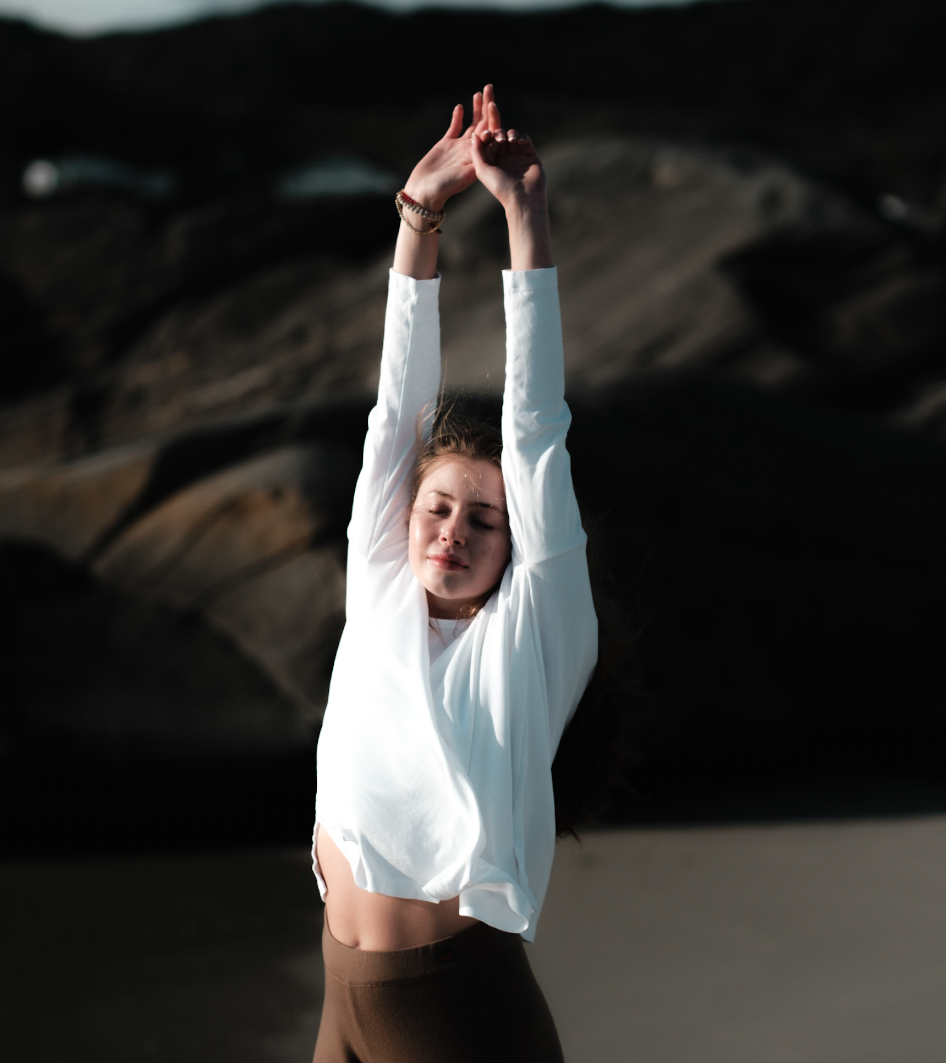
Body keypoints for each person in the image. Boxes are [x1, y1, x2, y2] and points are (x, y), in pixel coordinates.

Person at [310, 85, 605, 1063]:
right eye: (438, 507)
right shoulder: (382, 589)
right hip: (342, 997)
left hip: (455, 1019)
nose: (453, 530)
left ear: (518, 546)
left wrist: (525, 218)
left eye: (485, 519)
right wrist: (419, 212)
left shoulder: (530, 635)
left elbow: (534, 424)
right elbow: (398, 411)